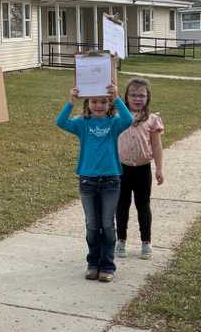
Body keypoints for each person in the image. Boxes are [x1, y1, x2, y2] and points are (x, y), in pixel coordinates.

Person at [57, 81, 133, 282]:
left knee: (107, 224)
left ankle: (107, 265)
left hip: (111, 181)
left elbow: (128, 120)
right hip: (87, 181)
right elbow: (61, 122)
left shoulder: (114, 124)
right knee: (92, 224)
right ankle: (93, 263)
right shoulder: (82, 124)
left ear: (110, 105)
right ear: (87, 103)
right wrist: (71, 101)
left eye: (104, 102)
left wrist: (117, 97)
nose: (99, 105)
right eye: (94, 101)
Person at [115, 78, 165, 260]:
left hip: (143, 169)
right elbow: (114, 90)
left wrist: (159, 169)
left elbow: (157, 146)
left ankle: (146, 242)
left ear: (148, 98)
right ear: (126, 98)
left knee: (143, 206)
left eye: (142, 95)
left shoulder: (152, 120)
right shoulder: (120, 116)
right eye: (133, 95)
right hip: (121, 169)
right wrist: (113, 64)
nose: (137, 99)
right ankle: (121, 240)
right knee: (122, 206)